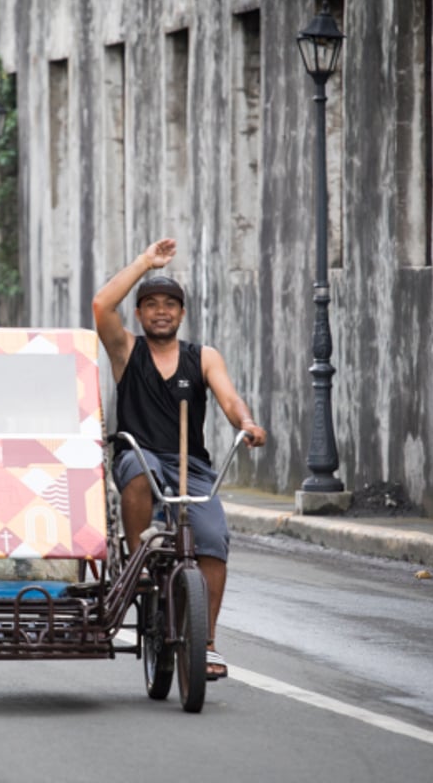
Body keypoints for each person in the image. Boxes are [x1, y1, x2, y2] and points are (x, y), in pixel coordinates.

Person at [92, 237, 267, 682]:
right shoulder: (126, 351)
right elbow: (100, 305)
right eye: (151, 304)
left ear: (182, 313)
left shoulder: (203, 356)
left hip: (191, 466)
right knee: (135, 474)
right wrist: (145, 263)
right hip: (139, 455)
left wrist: (245, 423)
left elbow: (230, 400)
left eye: (171, 304)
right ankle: (140, 565)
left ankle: (205, 642)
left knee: (213, 538)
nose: (162, 311)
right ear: (140, 314)